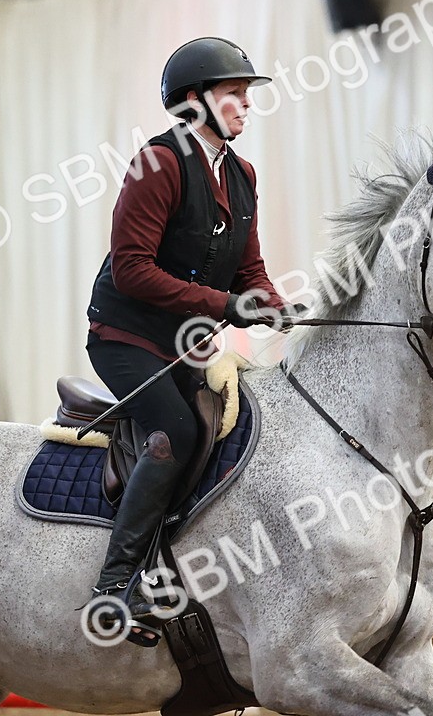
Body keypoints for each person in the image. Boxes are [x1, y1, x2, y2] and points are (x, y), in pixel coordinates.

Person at [83, 37, 296, 643]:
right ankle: (115, 586)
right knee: (174, 430)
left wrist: (278, 305)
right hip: (126, 336)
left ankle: (180, 570)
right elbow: (133, 270)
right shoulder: (157, 164)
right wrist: (227, 305)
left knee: (235, 420)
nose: (246, 106)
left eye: (247, 95)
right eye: (235, 94)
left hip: (187, 343)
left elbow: (247, 267)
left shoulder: (241, 173)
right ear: (194, 101)